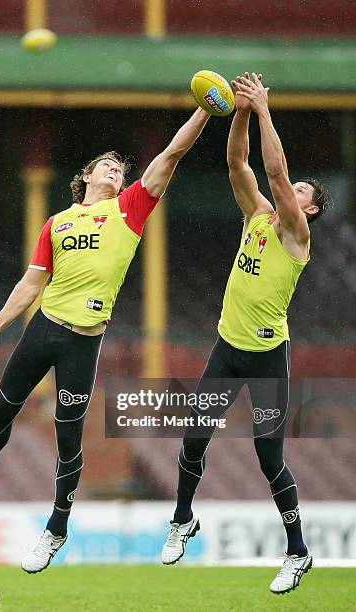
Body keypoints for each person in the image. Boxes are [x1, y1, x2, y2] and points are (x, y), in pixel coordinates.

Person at [0, 107, 211, 573]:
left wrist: (205, 107)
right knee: (3, 408)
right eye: (107, 164)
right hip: (42, 329)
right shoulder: (57, 223)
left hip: (84, 343)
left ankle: (56, 530)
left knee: (68, 436)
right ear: (85, 176)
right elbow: (30, 283)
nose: (115, 169)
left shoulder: (128, 209)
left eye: (120, 169)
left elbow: (172, 153)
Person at [161, 73, 332, 595]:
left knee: (268, 457)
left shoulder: (295, 233)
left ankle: (298, 552)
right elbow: (239, 164)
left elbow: (275, 171)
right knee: (193, 437)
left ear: (311, 210)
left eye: (302, 191)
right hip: (228, 348)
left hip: (266, 356)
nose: (291, 188)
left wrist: (261, 109)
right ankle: (182, 520)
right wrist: (234, 111)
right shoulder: (257, 216)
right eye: (293, 189)